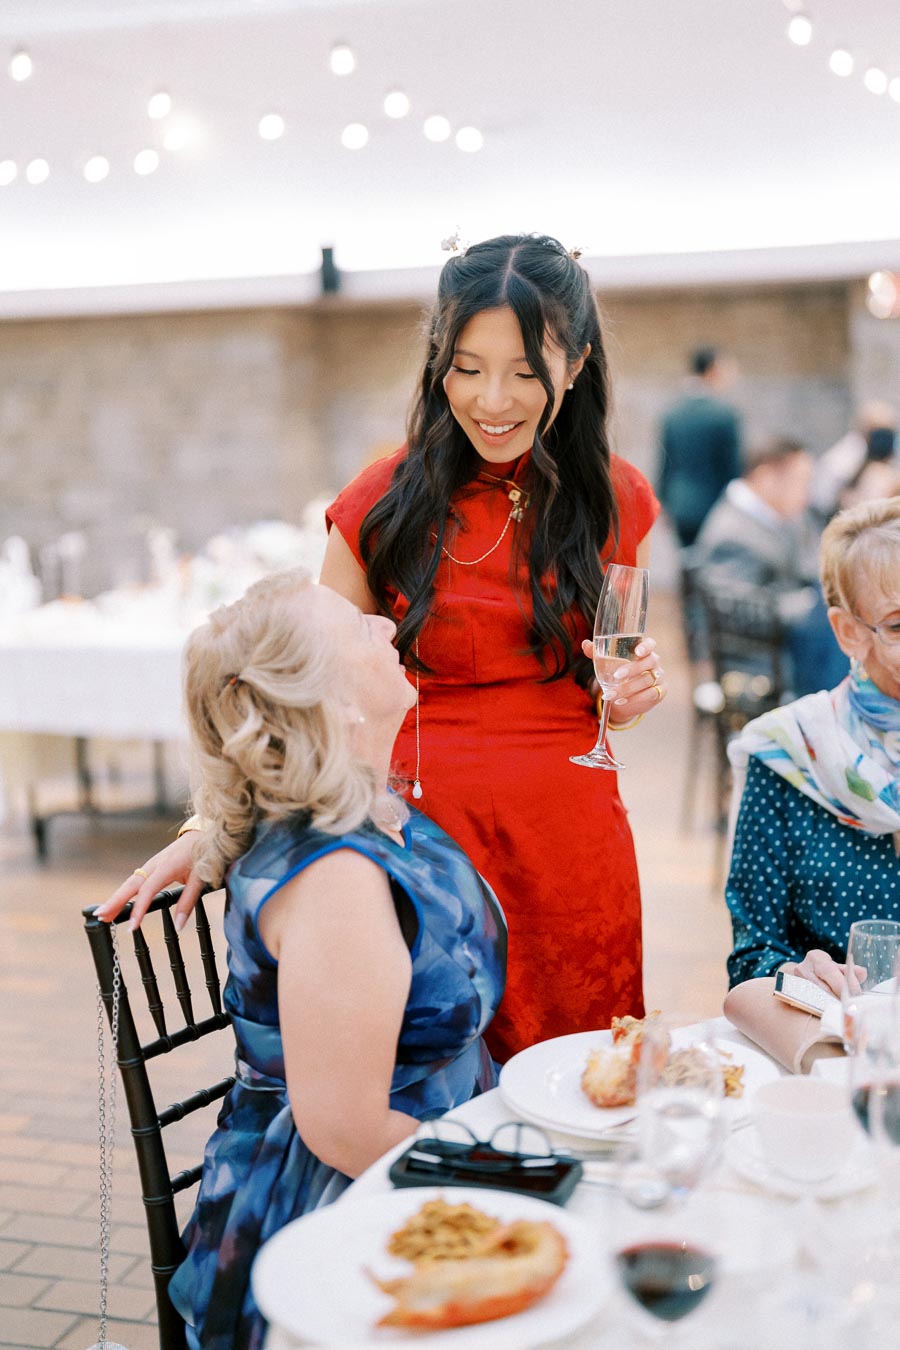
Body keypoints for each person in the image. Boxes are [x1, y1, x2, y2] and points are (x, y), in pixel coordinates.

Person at [100, 233, 668, 1063]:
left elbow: (610, 686)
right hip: (418, 840)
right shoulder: (383, 504)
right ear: (439, 363)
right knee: (432, 1084)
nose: (492, 399)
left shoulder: (621, 500)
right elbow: (301, 689)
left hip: (570, 845)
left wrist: (625, 699)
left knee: (580, 1079)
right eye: (467, 368)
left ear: (576, 365)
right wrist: (211, 830)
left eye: (524, 370)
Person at [154, 568, 507, 1349]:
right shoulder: (335, 879)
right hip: (343, 1210)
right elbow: (344, 1129)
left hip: (425, 1150)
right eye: (357, 629)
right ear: (332, 704)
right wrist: (508, 1184)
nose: (386, 628)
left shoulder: (369, 807)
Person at [725, 496, 900, 995]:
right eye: (898, 624)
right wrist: (796, 976)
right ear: (848, 633)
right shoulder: (786, 753)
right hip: (835, 1045)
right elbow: (752, 953)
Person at [693, 434, 849, 696]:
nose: (808, 493)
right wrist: (807, 603)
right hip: (758, 659)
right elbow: (733, 612)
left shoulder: (775, 518)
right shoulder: (731, 530)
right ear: (766, 477)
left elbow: (806, 565)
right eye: (801, 481)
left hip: (783, 645)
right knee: (831, 622)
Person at [657, 345, 742, 548]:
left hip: (678, 503)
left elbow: (665, 464)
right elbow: (731, 468)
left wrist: (662, 501)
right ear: (712, 369)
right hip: (712, 506)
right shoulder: (723, 414)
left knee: (686, 564)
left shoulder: (673, 412)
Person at [811, 400, 897, 520]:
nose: (885, 438)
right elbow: (824, 502)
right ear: (864, 427)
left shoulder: (882, 456)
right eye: (879, 430)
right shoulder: (841, 459)